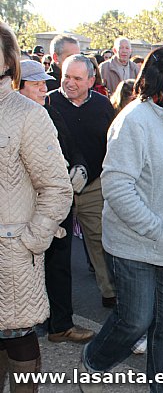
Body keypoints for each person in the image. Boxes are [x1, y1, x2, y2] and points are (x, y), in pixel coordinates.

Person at [80, 46, 163, 393]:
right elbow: (116, 187)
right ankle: (95, 362)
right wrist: (156, 228)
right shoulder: (133, 121)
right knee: (134, 320)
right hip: (135, 245)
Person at [0, 22, 73, 392]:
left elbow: (58, 188)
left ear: (8, 59)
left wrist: (30, 239)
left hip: (11, 252)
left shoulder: (27, 113)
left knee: (17, 335)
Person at [18, 60, 95, 345]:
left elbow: (71, 145)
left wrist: (79, 168)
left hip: (56, 204)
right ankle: (23, 327)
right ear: (16, 86)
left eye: (44, 82)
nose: (44, 88)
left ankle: (60, 325)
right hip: (23, 209)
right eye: (35, 84)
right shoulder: (9, 118)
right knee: (23, 269)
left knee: (59, 263)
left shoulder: (48, 110)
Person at [46, 54, 118, 309]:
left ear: (91, 80)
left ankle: (111, 293)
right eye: (66, 76)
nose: (70, 83)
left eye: (77, 78)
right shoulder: (47, 103)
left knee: (101, 242)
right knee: (55, 247)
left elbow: (111, 144)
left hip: (94, 187)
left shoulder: (102, 105)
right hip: (54, 189)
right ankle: (54, 309)